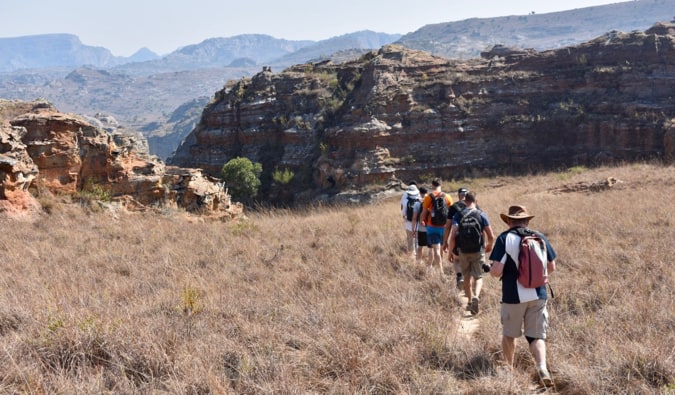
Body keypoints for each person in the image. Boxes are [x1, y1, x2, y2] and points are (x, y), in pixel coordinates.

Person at [488, 205, 557, 387]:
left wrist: (490, 271)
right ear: (527, 221)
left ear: (509, 221)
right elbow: (551, 267)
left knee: (509, 335)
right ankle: (542, 368)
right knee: (536, 337)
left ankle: (509, 372)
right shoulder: (539, 236)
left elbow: (496, 271)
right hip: (539, 293)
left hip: (513, 295)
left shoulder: (504, 238)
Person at [445, 191, 495, 315]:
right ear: (475, 201)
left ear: (465, 201)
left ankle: (469, 301)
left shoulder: (458, 215)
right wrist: (489, 246)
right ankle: (476, 296)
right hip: (478, 249)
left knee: (466, 276)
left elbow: (453, 236)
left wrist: (451, 252)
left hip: (463, 250)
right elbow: (491, 235)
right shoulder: (481, 214)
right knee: (478, 276)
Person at [420, 178, 453, 280]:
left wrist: (422, 221)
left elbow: (424, 213)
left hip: (432, 227)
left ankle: (441, 272)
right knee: (442, 248)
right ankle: (440, 266)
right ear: (441, 185)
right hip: (444, 227)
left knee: (436, 250)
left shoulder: (429, 197)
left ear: (432, 185)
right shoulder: (447, 197)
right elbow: (451, 213)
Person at [446, 187, 469, 288]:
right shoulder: (474, 206)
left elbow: (448, 227)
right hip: (474, 240)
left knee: (457, 260)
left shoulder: (454, 207)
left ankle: (460, 276)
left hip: (458, 239)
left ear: (458, 195)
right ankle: (470, 286)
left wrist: (445, 242)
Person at [411, 187, 432, 266]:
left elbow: (414, 218)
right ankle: (430, 266)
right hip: (430, 228)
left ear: (420, 193)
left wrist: (413, 230)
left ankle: (419, 263)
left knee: (420, 246)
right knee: (431, 248)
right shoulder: (430, 202)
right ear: (427, 192)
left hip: (421, 229)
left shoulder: (417, 203)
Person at [400, 182, 420, 257]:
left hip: (409, 225)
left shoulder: (406, 201)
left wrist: (405, 218)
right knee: (417, 241)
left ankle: (411, 256)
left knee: (410, 240)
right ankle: (418, 255)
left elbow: (403, 214)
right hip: (419, 225)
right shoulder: (420, 200)